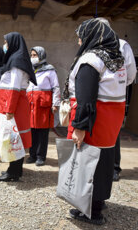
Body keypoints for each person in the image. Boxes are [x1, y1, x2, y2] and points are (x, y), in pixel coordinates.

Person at [67, 18, 126, 225]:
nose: (79, 42)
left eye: (81, 37)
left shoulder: (91, 60)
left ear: (91, 36)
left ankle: (91, 211)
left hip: (94, 119)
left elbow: (86, 99)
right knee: (103, 162)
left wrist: (80, 127)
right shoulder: (116, 58)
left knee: (87, 163)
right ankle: (98, 204)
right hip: (111, 119)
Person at [97, 18, 137, 181]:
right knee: (97, 132)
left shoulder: (121, 45)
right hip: (97, 96)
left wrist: (119, 85)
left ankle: (114, 167)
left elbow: (131, 71)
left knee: (113, 132)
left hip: (114, 98)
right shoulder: (93, 46)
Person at [0, 32, 37, 182]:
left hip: (15, 106)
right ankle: (14, 169)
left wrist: (9, 110)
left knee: (14, 137)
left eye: (6, 42)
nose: (4, 45)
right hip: (12, 105)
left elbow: (13, 87)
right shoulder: (14, 59)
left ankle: (14, 171)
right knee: (13, 137)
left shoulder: (17, 61)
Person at [26, 46, 60, 166]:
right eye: (31, 55)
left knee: (42, 132)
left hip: (43, 104)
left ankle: (41, 156)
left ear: (41, 56)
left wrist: (55, 104)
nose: (32, 58)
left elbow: (55, 87)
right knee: (32, 130)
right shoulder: (30, 69)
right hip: (31, 103)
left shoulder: (50, 70)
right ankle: (32, 155)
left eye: (35, 55)